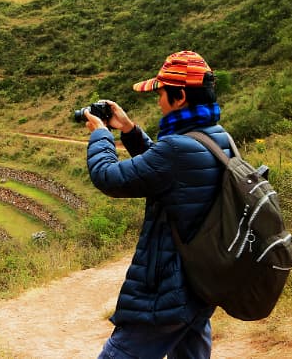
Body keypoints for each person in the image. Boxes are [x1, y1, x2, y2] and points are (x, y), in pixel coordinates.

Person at [83, 51, 232, 359]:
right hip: (197, 285)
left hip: (165, 291)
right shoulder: (216, 138)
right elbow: (166, 167)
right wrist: (128, 130)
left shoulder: (178, 148)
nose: (158, 100)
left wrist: (101, 136)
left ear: (179, 97)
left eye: (162, 93)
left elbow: (109, 177)